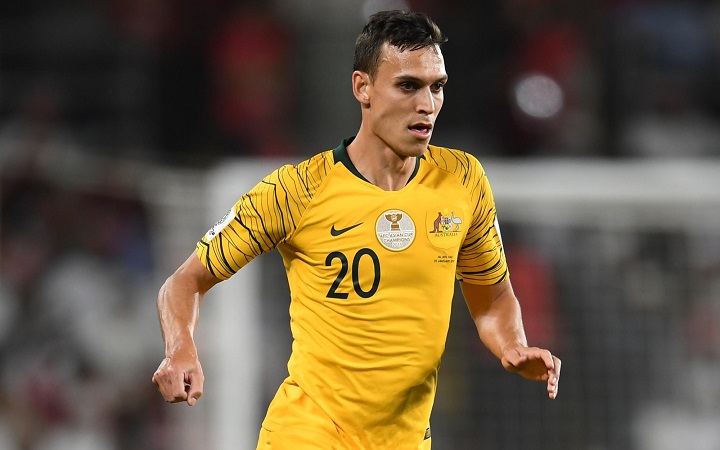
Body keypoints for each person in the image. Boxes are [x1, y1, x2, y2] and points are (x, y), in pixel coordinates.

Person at [152, 10, 561, 449]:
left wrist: (512, 345)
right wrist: (180, 348)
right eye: (408, 86)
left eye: (436, 86)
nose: (426, 104)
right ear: (362, 87)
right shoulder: (297, 190)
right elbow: (184, 282)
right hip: (308, 435)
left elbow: (492, 295)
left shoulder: (463, 180)